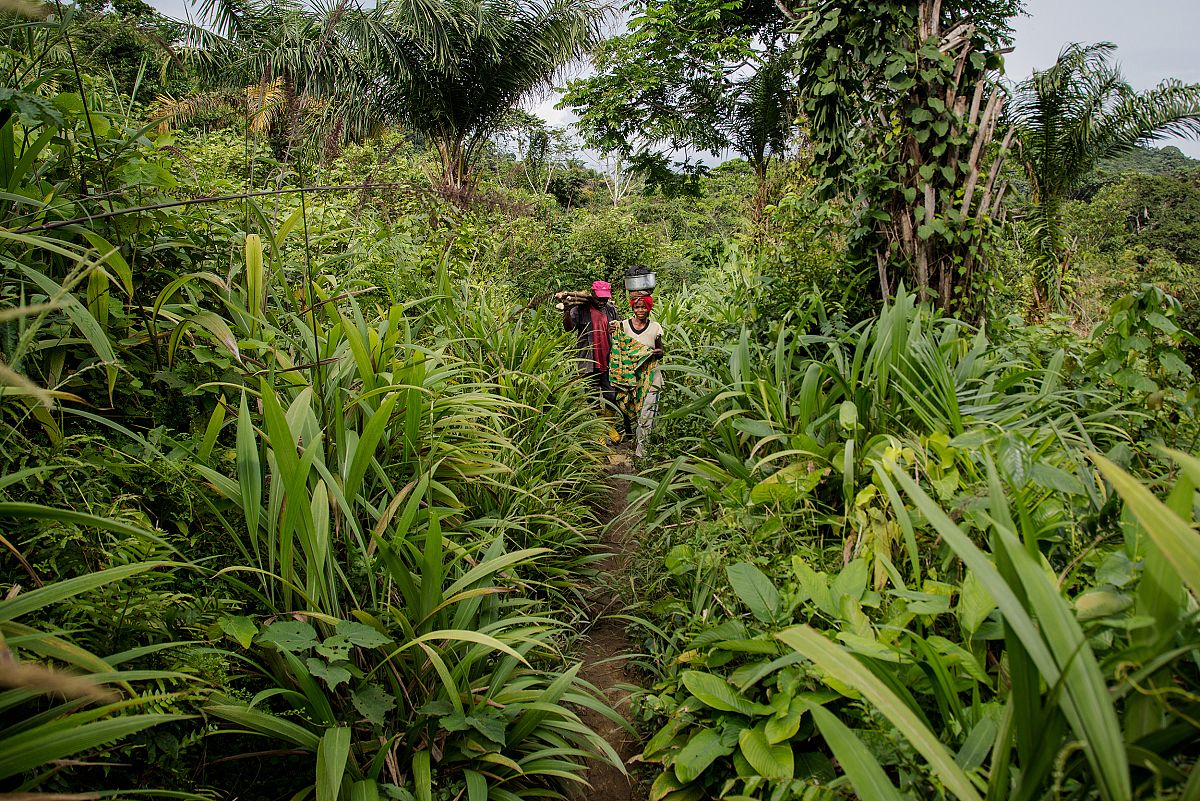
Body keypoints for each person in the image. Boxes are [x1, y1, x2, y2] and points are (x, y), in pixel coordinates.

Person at [608, 294, 664, 458]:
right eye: (637, 307)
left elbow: (661, 351)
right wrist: (611, 330)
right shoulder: (623, 326)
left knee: (647, 416)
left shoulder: (655, 328)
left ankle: (642, 455)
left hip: (651, 378)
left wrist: (657, 353)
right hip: (630, 379)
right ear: (632, 308)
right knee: (634, 413)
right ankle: (635, 441)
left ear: (649, 308)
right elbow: (617, 345)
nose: (640, 310)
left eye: (643, 307)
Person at [563, 280, 620, 410]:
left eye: (605, 299)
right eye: (599, 298)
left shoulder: (610, 309)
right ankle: (598, 427)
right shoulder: (580, 309)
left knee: (611, 396)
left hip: (609, 360)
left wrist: (615, 329)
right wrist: (566, 311)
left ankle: (610, 425)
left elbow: (620, 328)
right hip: (589, 361)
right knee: (592, 398)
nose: (602, 302)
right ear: (592, 294)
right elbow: (569, 328)